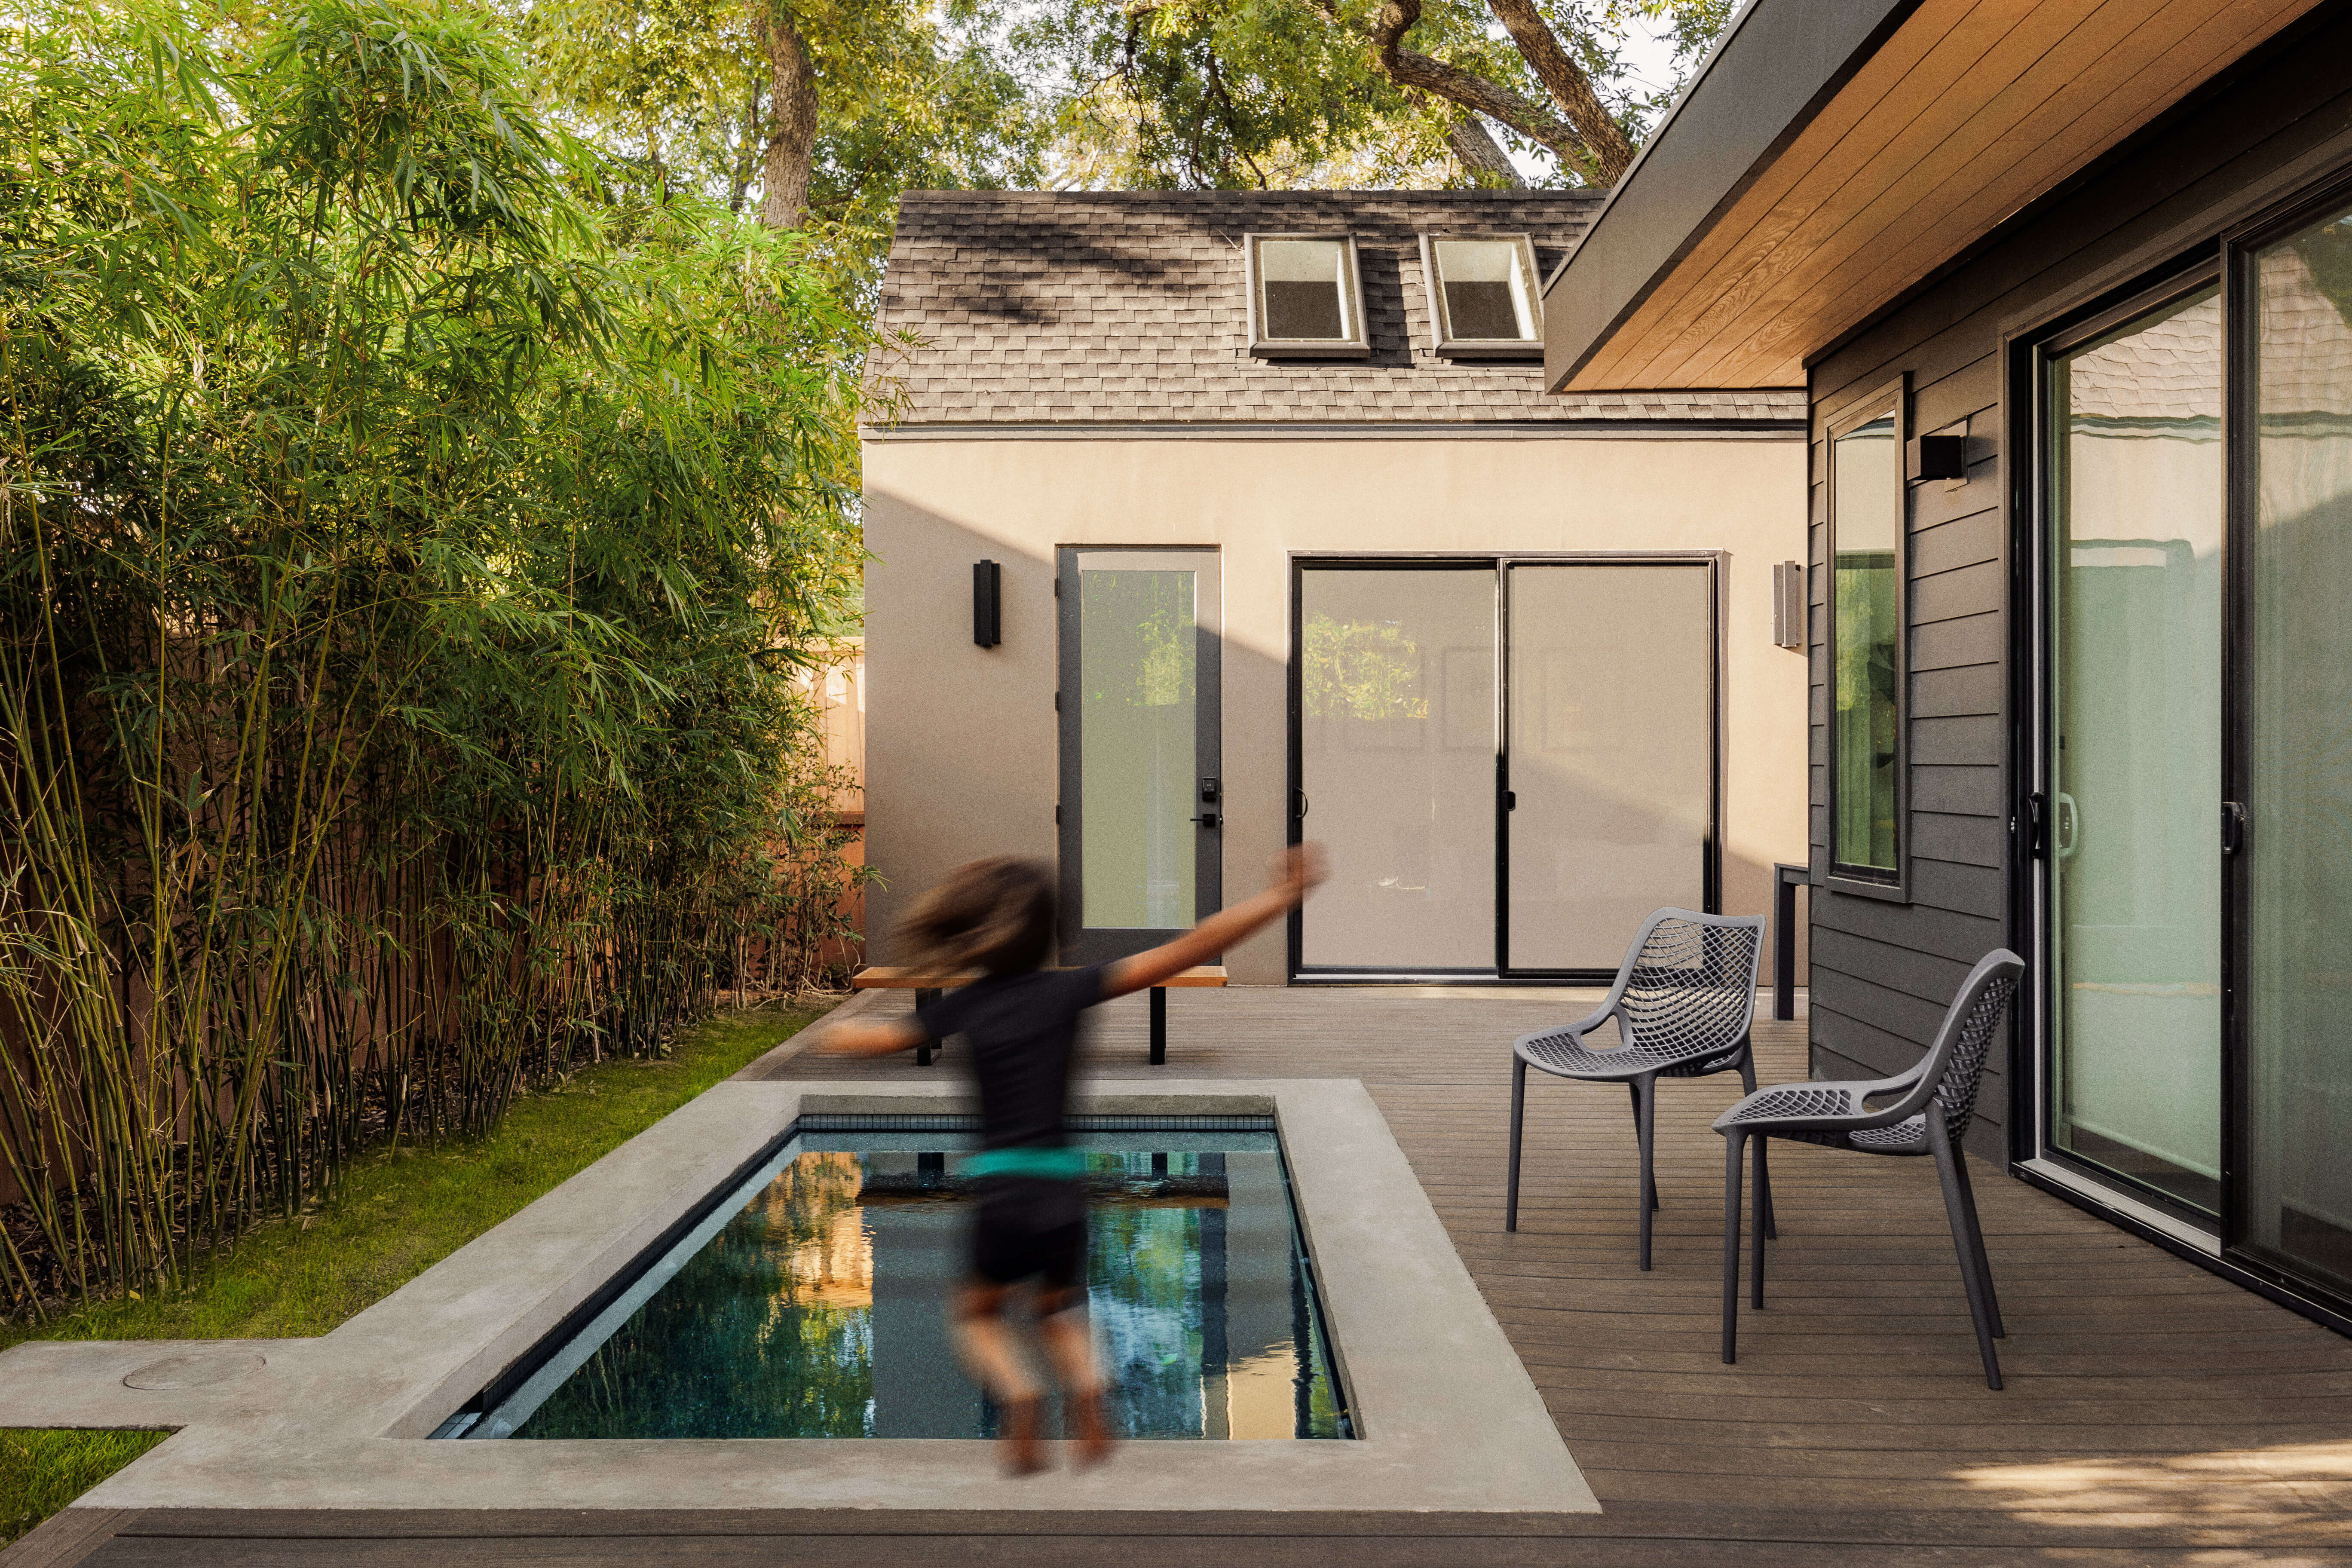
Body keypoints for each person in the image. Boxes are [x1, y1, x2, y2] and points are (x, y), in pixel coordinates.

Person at [822, 843, 1325, 1474]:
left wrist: (838, 1035)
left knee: (977, 1314)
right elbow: (1191, 948)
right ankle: (1087, 1390)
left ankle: (1020, 1390)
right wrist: (1280, 897)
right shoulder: (1069, 991)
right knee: (1060, 1310)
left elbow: (879, 1039)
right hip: (1063, 1194)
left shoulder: (967, 1004)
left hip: (1001, 1194)